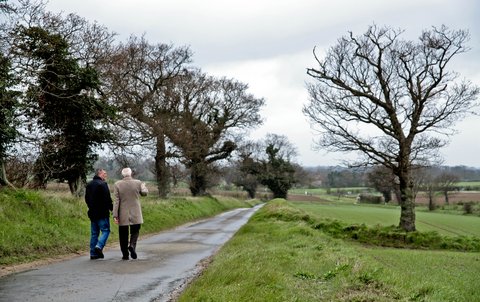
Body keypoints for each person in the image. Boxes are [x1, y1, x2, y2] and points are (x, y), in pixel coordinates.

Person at [113, 167, 148, 260]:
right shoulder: (138, 182)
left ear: (122, 175)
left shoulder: (117, 184)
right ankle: (132, 245)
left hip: (123, 212)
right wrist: (143, 186)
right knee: (135, 231)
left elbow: (116, 201)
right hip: (135, 211)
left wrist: (115, 215)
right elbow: (144, 193)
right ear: (131, 173)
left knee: (123, 234)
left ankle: (125, 254)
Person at [85, 168, 113, 260]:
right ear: (99, 173)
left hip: (92, 212)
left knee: (94, 233)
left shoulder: (89, 184)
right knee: (105, 230)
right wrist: (112, 209)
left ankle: (93, 253)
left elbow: (87, 199)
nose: (106, 175)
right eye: (104, 173)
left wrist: (90, 207)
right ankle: (99, 246)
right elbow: (107, 199)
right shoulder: (103, 184)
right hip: (102, 213)